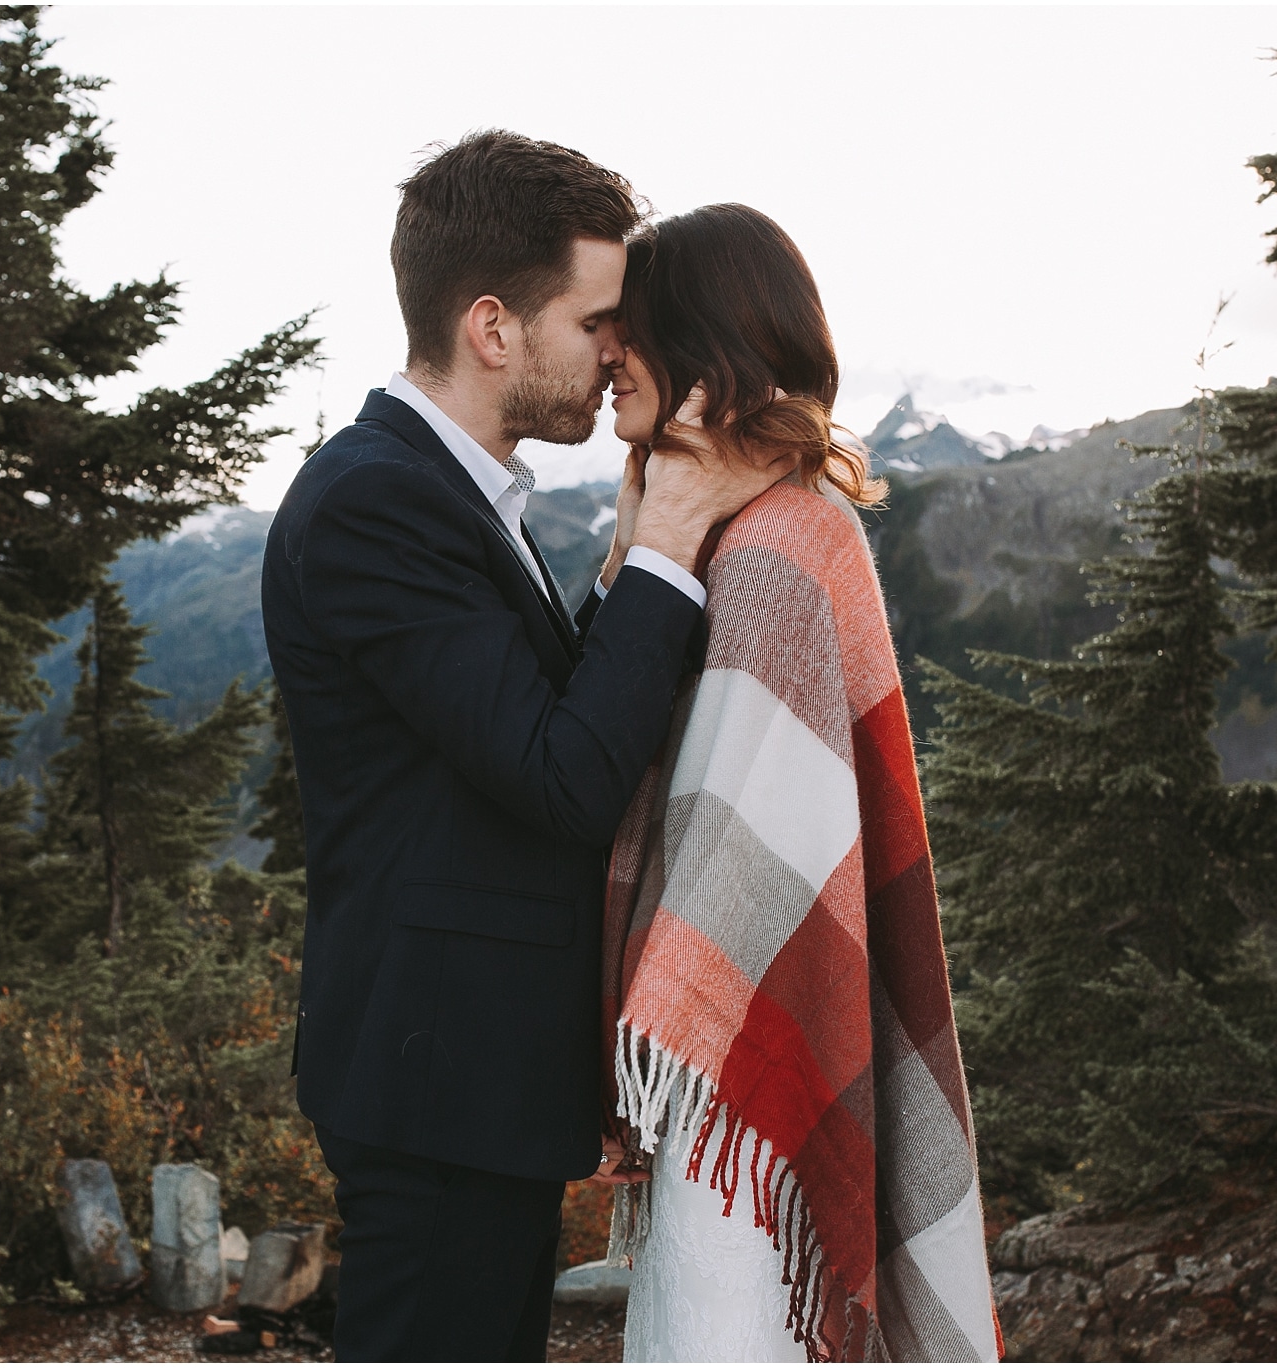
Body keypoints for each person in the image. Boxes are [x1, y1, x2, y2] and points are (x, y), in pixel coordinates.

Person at [259, 134, 787, 1362]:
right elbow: (563, 778)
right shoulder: (372, 502)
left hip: (471, 1078)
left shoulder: (454, 493)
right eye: (598, 318)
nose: (619, 348)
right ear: (492, 327)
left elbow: (517, 728)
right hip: (435, 1078)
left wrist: (622, 566)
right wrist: (666, 540)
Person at [596, 205, 1002, 1362]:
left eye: (632, 329)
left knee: (728, 1321)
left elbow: (745, 851)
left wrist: (671, 1014)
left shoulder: (777, 549)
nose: (608, 354)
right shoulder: (712, 530)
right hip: (714, 1058)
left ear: (702, 353)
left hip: (736, 1064)